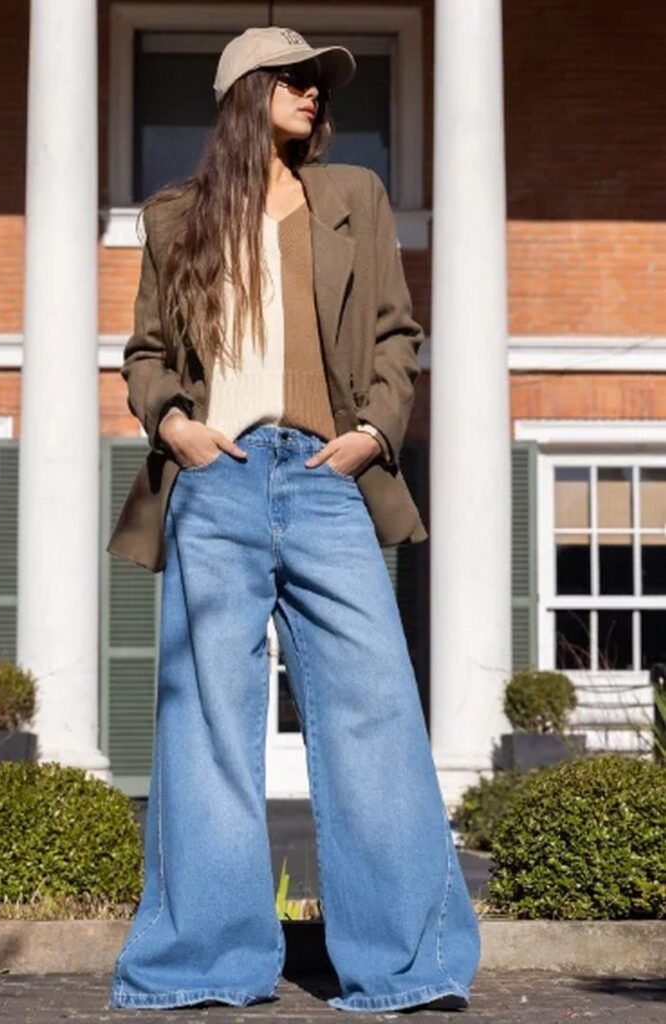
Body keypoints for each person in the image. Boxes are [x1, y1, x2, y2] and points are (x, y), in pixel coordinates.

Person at [108, 24, 481, 1014]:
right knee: (206, 730)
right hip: (218, 479)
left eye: (320, 82)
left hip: (325, 478)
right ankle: (203, 963)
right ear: (246, 92)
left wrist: (371, 434)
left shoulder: (353, 195)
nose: (315, 92)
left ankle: (405, 967)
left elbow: (397, 335)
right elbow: (146, 353)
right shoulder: (176, 216)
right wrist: (176, 425)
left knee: (374, 712)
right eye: (294, 78)